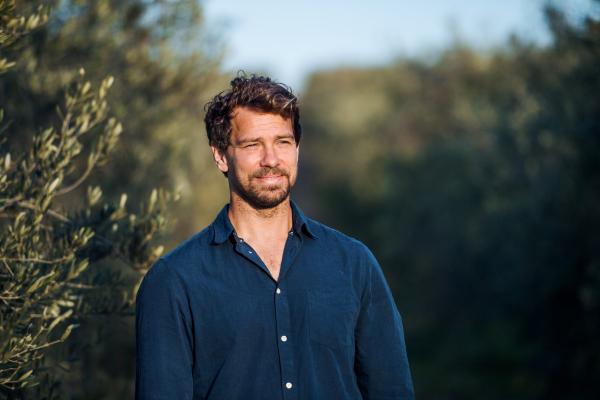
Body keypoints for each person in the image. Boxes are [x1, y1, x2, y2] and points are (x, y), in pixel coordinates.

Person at [135, 74, 415, 400]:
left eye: (282, 142)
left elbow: (391, 390)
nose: (271, 159)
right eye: (253, 144)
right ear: (221, 156)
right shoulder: (173, 281)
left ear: (297, 149)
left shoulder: (354, 263)